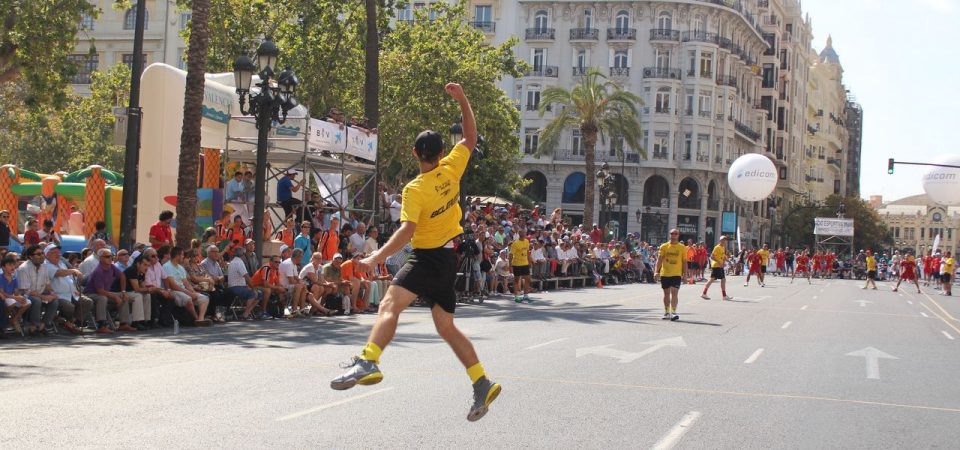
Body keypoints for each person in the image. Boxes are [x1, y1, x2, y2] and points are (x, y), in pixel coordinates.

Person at [330, 83, 501, 422]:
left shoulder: (414, 189)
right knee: (446, 327)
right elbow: (469, 136)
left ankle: (369, 360)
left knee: (389, 305)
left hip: (427, 256)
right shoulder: (452, 168)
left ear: (414, 153)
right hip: (449, 258)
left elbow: (407, 230)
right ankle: (481, 381)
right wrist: (463, 99)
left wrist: (375, 258)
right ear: (441, 152)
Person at [83, 248, 138, 332]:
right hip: (91, 293)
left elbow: (122, 276)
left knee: (124, 296)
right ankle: (101, 325)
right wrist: (115, 297)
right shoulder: (98, 271)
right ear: (100, 258)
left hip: (105, 292)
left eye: (111, 256)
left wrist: (123, 291)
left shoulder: (111, 266)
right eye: (107, 257)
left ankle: (123, 324)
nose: (110, 258)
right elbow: (100, 291)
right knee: (102, 298)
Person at [43, 243, 90, 335]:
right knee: (69, 307)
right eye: (54, 252)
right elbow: (59, 273)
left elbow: (69, 279)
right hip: (58, 294)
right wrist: (73, 270)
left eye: (58, 252)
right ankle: (65, 322)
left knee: (87, 302)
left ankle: (70, 322)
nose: (58, 254)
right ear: (47, 254)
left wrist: (75, 289)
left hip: (71, 293)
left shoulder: (61, 263)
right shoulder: (46, 265)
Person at [162, 247, 211, 325]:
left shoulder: (180, 268)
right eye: (182, 255)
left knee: (204, 298)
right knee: (188, 299)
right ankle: (197, 319)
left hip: (183, 290)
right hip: (174, 291)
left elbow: (186, 283)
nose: (183, 257)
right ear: (177, 255)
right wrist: (189, 293)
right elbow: (173, 285)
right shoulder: (167, 266)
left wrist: (193, 292)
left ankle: (200, 318)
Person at [17, 244, 59, 335]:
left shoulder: (44, 266)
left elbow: (47, 284)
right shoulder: (23, 268)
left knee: (55, 300)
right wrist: (43, 296)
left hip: (39, 294)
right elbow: (25, 290)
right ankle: (34, 326)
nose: (42, 256)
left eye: (42, 253)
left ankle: (43, 325)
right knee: (37, 300)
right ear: (30, 257)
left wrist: (52, 293)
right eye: (38, 254)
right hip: (26, 296)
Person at [654, 229, 687, 321]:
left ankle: (674, 312)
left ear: (678, 235)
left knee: (674, 292)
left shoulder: (682, 247)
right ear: (669, 235)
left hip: (676, 273)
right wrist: (656, 271)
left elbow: (684, 262)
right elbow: (659, 259)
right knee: (666, 293)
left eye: (676, 233)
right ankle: (666, 312)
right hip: (665, 273)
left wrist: (685, 275)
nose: (674, 235)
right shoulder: (664, 246)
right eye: (672, 233)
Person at [226, 246, 260, 320]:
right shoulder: (239, 262)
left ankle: (247, 312)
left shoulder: (234, 261)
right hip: (236, 287)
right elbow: (247, 277)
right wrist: (254, 288)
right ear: (243, 254)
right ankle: (245, 314)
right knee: (253, 293)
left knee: (259, 294)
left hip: (238, 286)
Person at [2, 255, 31, 336]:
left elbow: (16, 292)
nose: (12, 267)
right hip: (6, 297)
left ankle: (13, 319)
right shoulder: (1, 277)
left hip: (12, 297)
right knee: (12, 303)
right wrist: (15, 297)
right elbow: (2, 292)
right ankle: (6, 317)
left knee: (27, 302)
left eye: (13, 265)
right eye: (9, 265)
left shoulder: (14, 278)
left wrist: (21, 297)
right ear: (3, 268)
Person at [701, 236, 733, 301]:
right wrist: (719, 262)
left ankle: (705, 293)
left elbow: (724, 257)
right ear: (720, 240)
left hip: (720, 266)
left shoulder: (723, 247)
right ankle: (723, 296)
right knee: (717, 279)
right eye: (723, 240)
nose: (724, 241)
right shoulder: (717, 247)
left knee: (720, 279)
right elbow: (712, 256)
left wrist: (729, 261)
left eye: (725, 240)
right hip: (717, 266)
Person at [510, 228, 533, 303]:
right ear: (519, 234)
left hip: (525, 263)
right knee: (516, 280)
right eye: (521, 233)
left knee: (528, 279)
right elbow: (510, 255)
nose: (523, 234)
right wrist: (510, 265)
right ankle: (516, 296)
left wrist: (530, 262)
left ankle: (525, 295)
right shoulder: (515, 243)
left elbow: (527, 252)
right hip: (517, 264)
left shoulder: (527, 241)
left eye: (524, 232)